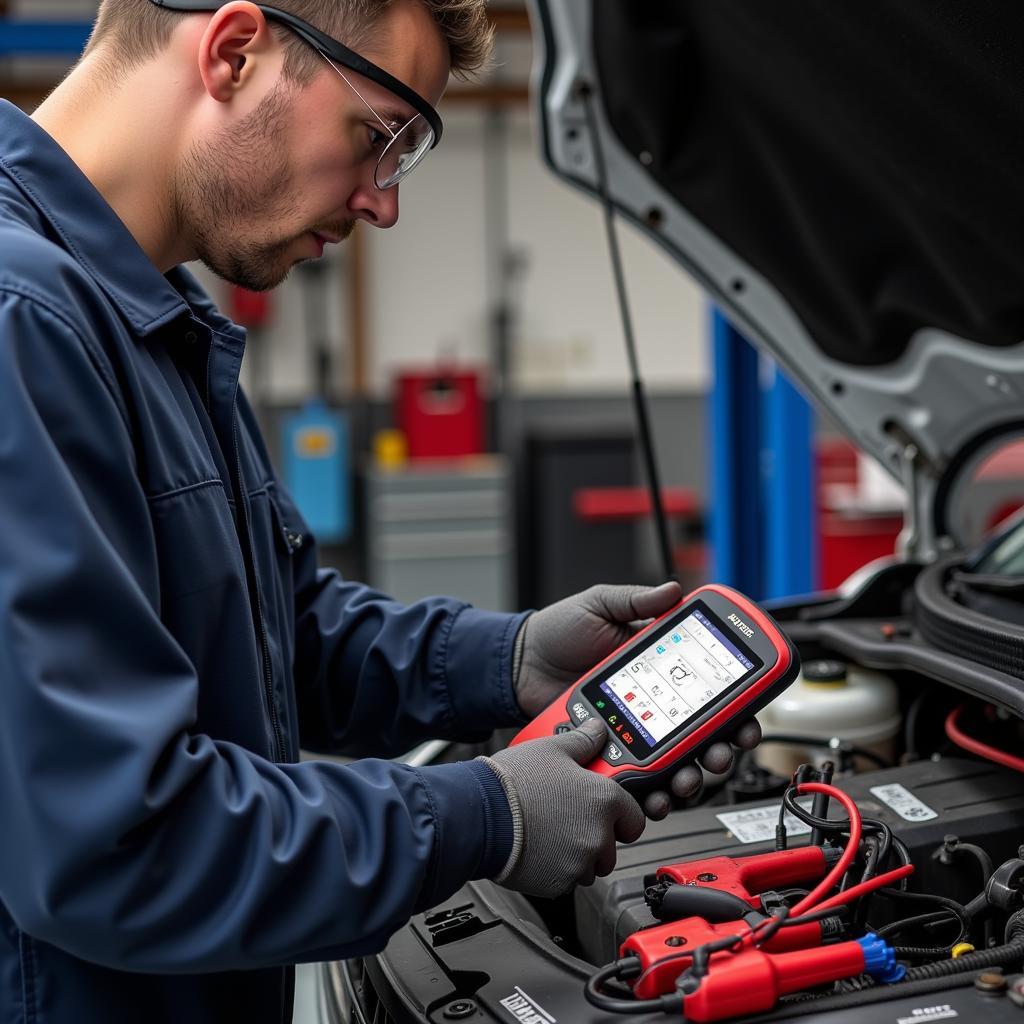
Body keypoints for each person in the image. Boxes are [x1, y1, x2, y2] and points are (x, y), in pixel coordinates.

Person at [0, 1, 759, 1021]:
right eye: (378, 137)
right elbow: (115, 841)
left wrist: (505, 657)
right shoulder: (24, 325)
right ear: (233, 53)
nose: (382, 204)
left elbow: (273, 632)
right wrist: (481, 815)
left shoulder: (152, 318)